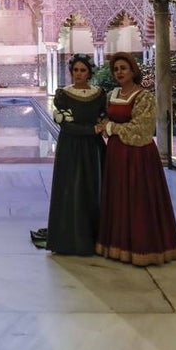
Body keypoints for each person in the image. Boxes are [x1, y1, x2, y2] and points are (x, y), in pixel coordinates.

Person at [94, 52, 176, 266]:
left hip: (138, 156)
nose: (119, 72)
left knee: (138, 199)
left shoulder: (143, 96)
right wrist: (104, 123)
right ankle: (118, 246)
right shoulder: (113, 94)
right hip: (117, 154)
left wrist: (110, 127)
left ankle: (142, 248)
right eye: (116, 69)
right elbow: (105, 117)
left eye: (123, 68)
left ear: (132, 71)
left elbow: (143, 130)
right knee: (119, 198)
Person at [30, 53, 105, 255]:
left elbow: (103, 117)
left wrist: (101, 128)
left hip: (93, 149)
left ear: (89, 72)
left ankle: (92, 237)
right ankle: (70, 238)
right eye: (75, 70)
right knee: (71, 189)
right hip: (71, 149)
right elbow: (66, 127)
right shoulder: (63, 95)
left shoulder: (99, 94)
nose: (78, 74)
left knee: (91, 189)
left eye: (82, 70)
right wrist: (93, 130)